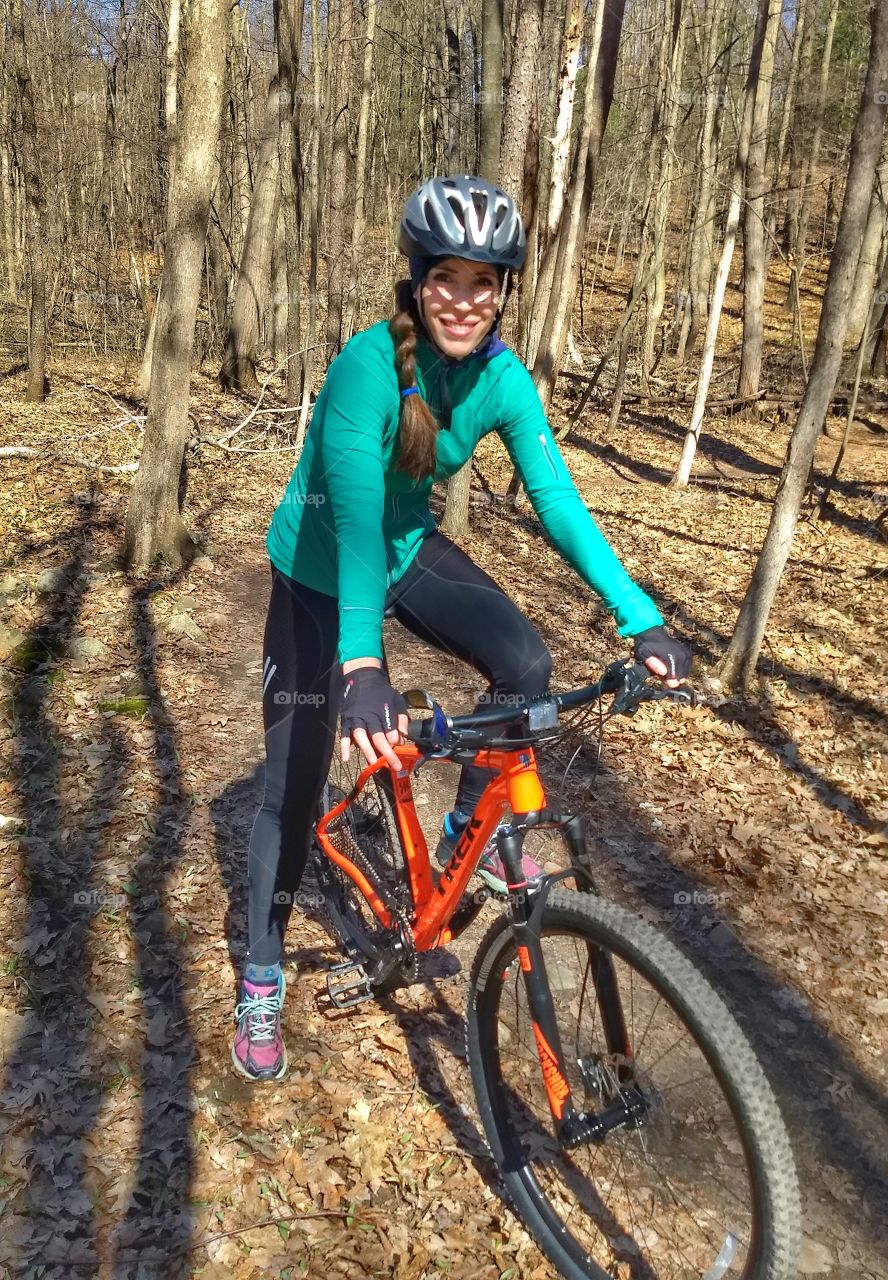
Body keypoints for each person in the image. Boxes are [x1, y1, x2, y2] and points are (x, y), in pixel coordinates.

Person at [232, 174, 692, 1082]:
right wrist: (361, 662)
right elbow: (357, 516)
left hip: (406, 550)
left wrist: (642, 617)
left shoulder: (503, 380)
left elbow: (555, 498)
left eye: (485, 283)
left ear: (504, 292)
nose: (465, 301)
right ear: (416, 280)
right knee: (289, 781)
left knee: (524, 662)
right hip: (320, 568)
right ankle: (260, 970)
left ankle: (450, 858)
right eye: (447, 277)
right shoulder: (368, 365)